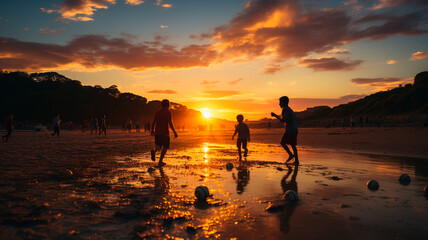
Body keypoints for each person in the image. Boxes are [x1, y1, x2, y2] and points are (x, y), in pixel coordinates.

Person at [271, 96, 299, 165]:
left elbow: (285, 120)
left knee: (283, 143)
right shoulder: (288, 109)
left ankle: (291, 155)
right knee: (293, 145)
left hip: (290, 129)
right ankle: (296, 160)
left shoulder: (285, 109)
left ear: (283, 103)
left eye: (280, 102)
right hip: (294, 129)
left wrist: (275, 116)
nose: (279, 104)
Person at [151, 99, 178, 167]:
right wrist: (174, 132)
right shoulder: (168, 112)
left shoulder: (158, 112)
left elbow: (154, 121)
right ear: (168, 105)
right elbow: (170, 123)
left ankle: (154, 151)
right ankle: (160, 161)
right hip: (165, 132)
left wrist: (152, 130)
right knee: (165, 147)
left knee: (159, 146)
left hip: (157, 132)